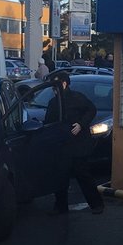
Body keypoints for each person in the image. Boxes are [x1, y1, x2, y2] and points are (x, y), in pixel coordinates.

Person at [48, 70, 105, 216]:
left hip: (78, 146)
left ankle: (96, 204)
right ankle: (60, 206)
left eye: (55, 85)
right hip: (62, 146)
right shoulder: (53, 103)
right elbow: (48, 122)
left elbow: (91, 110)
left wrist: (80, 124)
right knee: (60, 177)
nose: (53, 89)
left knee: (83, 175)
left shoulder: (77, 98)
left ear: (64, 84)